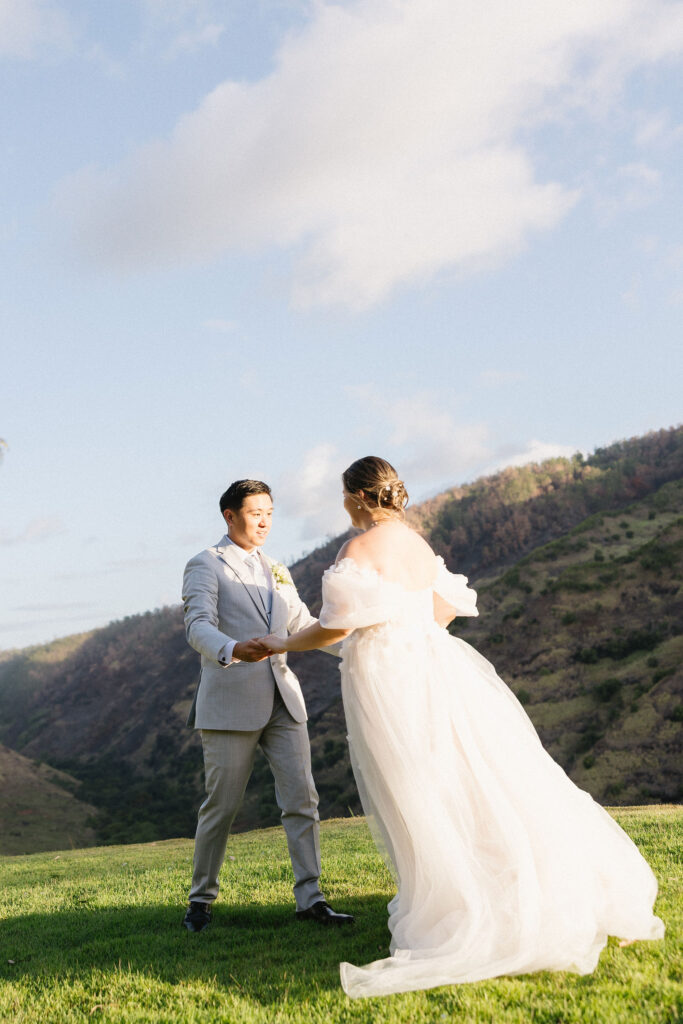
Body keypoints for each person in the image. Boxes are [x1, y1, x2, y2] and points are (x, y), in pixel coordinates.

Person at [259, 456, 664, 998]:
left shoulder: (357, 550)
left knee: (418, 788)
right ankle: (502, 887)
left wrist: (282, 642)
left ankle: (460, 905)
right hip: (437, 666)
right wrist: (406, 627)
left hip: (391, 681)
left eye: (343, 495)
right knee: (471, 776)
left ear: (357, 497)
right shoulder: (416, 544)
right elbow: (445, 607)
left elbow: (332, 629)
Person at [181, 479, 353, 933]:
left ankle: (310, 899)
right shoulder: (205, 564)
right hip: (230, 702)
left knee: (302, 798)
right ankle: (201, 900)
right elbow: (198, 626)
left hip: (284, 700)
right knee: (222, 805)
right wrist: (233, 648)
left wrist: (359, 646)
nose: (264, 521)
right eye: (256, 512)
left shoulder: (278, 568)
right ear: (230, 516)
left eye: (271, 513)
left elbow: (303, 623)